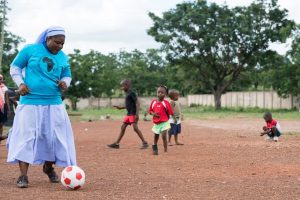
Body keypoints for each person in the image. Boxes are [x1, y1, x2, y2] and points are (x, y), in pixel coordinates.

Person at [7, 26, 76, 188]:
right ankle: (23, 176)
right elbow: (15, 67)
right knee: (26, 137)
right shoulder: (30, 50)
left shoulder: (62, 57)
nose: (59, 46)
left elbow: (67, 74)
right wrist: (21, 84)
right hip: (30, 102)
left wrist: (65, 83)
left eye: (62, 44)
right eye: (57, 43)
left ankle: (48, 167)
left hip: (54, 103)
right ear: (47, 39)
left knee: (54, 138)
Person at [107, 79, 148, 149]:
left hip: (133, 114)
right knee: (123, 127)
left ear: (127, 85)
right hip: (129, 114)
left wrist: (137, 114)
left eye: (122, 86)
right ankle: (116, 144)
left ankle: (145, 142)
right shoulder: (128, 93)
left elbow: (137, 103)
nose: (121, 88)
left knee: (135, 128)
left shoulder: (132, 93)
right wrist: (121, 107)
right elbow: (129, 105)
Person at [148, 85, 175, 155]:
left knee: (163, 136)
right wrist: (153, 114)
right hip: (157, 123)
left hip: (164, 122)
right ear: (156, 93)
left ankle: (165, 150)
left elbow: (171, 112)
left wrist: (174, 119)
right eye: (158, 92)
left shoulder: (166, 103)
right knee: (156, 136)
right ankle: (154, 146)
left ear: (165, 94)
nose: (160, 93)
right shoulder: (153, 102)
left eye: (162, 92)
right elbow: (150, 111)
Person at [0, 74, 8, 142]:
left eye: (1, 79)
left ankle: (0, 136)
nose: (0, 80)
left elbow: (6, 98)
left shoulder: (4, 88)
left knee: (1, 123)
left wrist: (8, 109)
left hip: (3, 106)